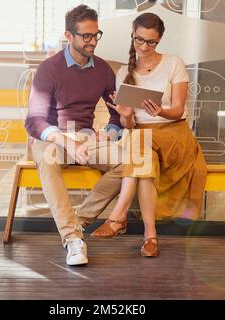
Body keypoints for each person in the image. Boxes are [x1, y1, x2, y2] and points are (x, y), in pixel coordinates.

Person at [89, 13, 208, 257]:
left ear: (159, 40)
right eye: (139, 40)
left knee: (140, 149)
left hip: (174, 136)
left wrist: (161, 111)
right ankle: (150, 237)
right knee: (142, 152)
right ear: (132, 36)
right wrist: (125, 114)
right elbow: (129, 124)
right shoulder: (124, 73)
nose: (143, 47)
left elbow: (178, 110)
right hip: (142, 139)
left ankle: (117, 216)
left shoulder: (174, 63)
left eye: (150, 42)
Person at [26, 5, 132, 266]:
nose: (92, 41)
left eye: (96, 35)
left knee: (128, 163)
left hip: (86, 136)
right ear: (68, 35)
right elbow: (33, 121)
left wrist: (111, 132)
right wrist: (65, 141)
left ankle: (79, 220)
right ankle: (73, 238)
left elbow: (116, 114)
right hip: (51, 138)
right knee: (49, 160)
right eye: (86, 36)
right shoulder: (49, 69)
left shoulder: (104, 70)